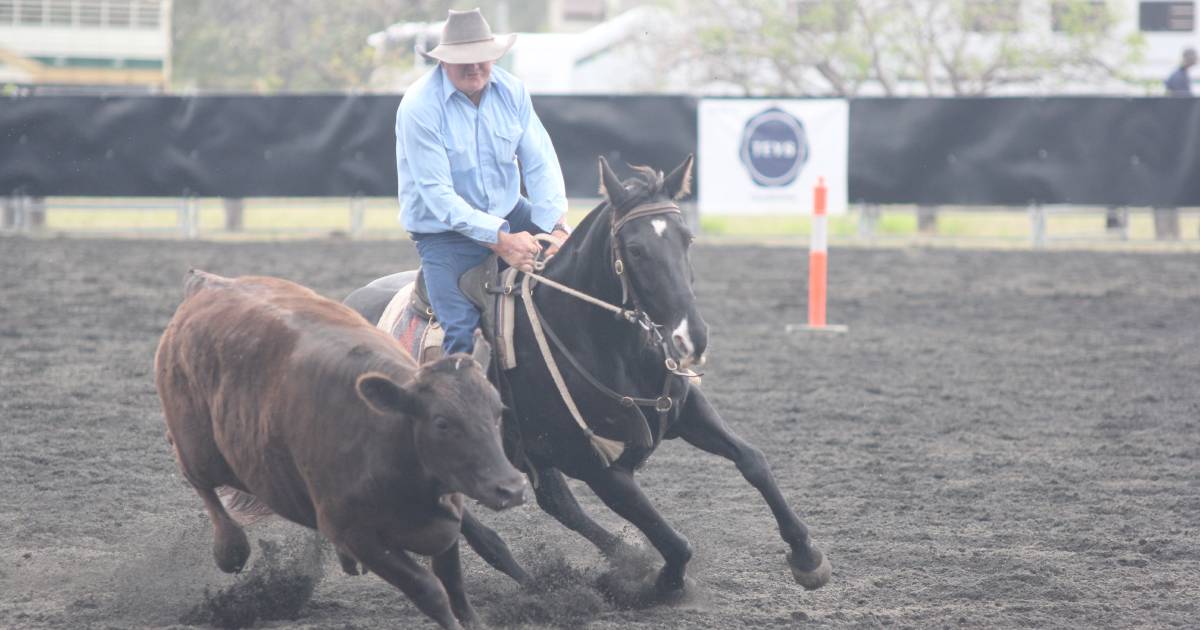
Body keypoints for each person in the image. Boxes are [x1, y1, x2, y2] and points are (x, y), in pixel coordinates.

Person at [396, 8, 570, 356]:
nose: (475, 66)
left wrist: (557, 226)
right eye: (464, 60)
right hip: (444, 233)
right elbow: (439, 197)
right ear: (444, 62)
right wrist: (501, 240)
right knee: (461, 336)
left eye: (483, 58)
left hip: (512, 210)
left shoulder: (512, 91)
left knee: (580, 278)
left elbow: (540, 163)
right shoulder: (419, 107)